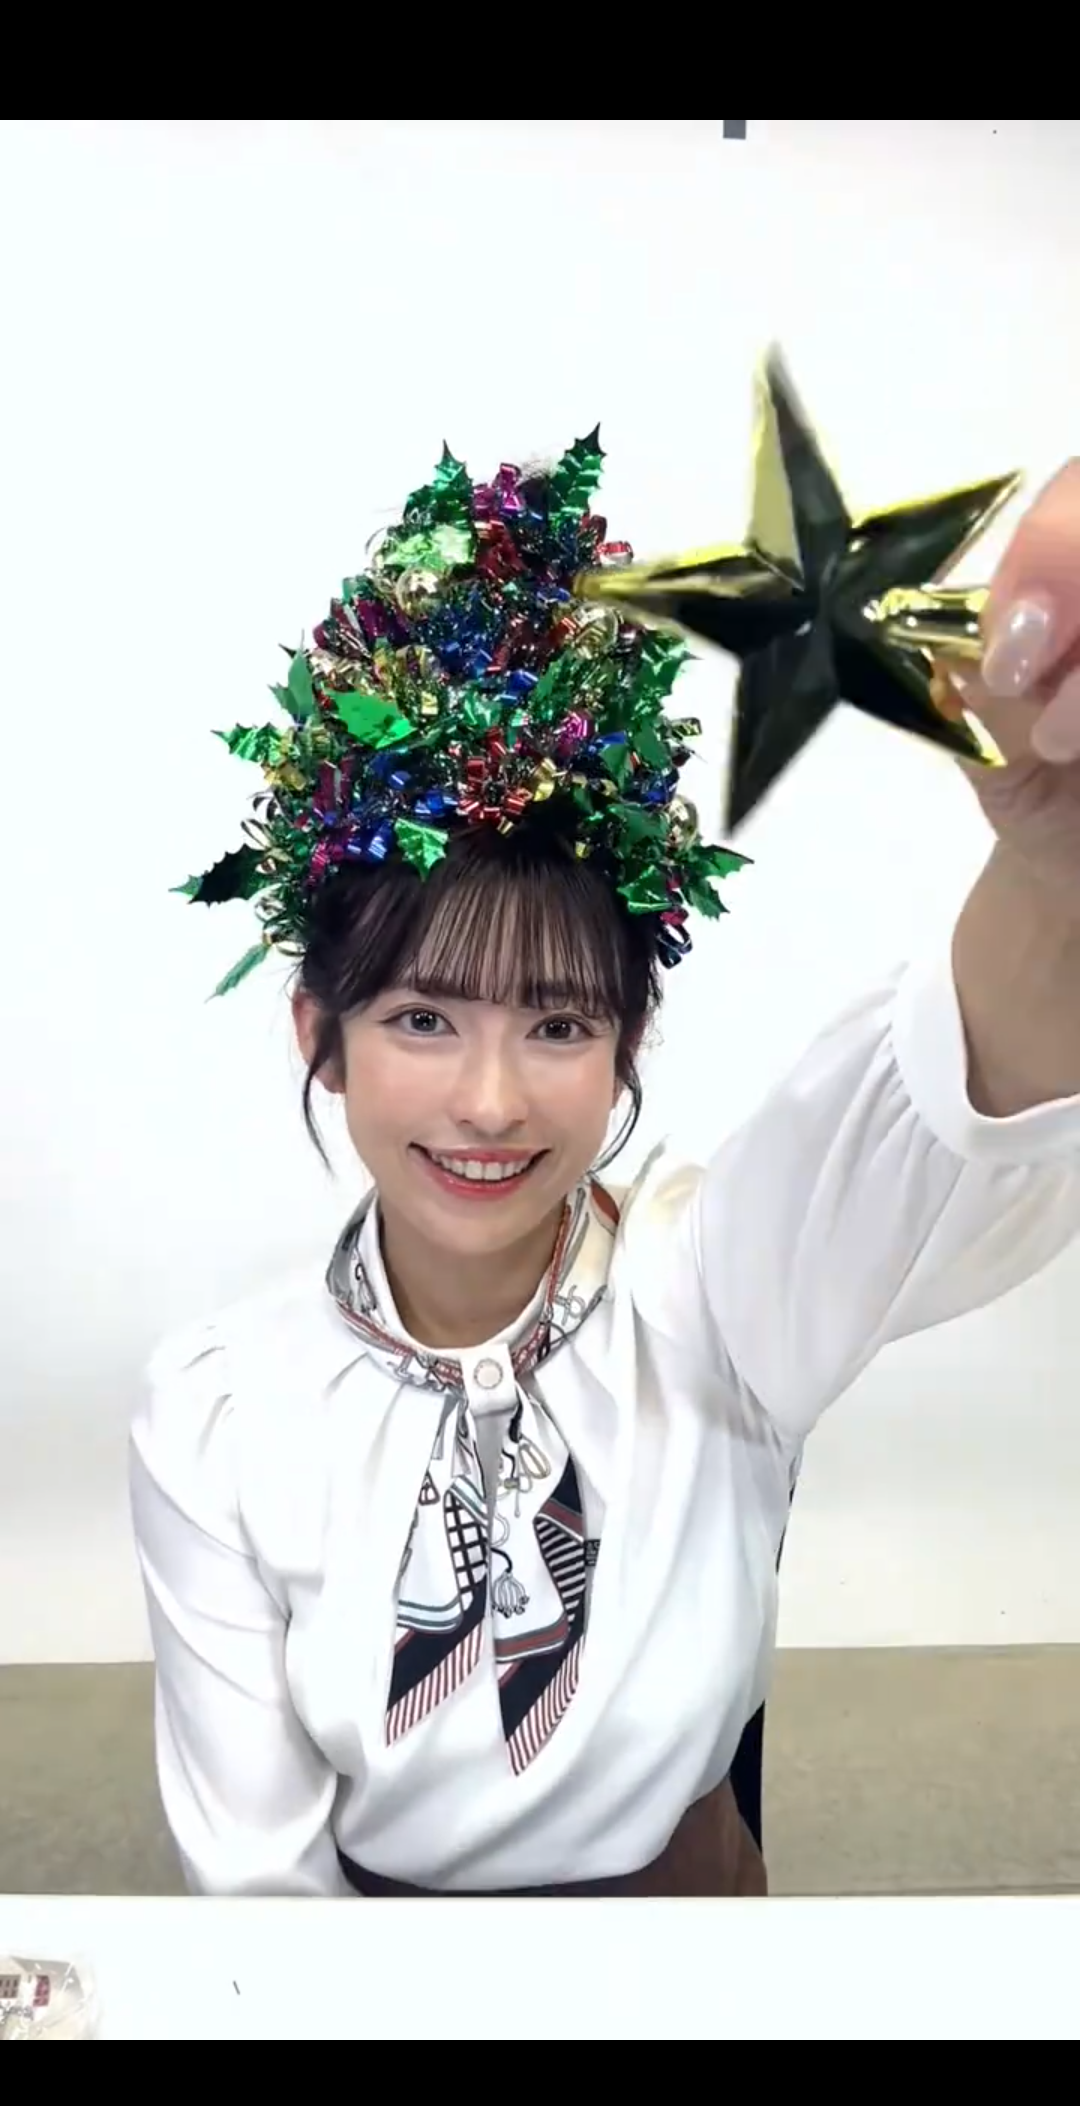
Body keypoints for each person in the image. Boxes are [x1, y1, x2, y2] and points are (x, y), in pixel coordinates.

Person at [131, 436, 1080, 1898]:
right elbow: (260, 1891)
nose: (491, 1101)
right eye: (423, 1019)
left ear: (629, 1043)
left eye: (560, 1023)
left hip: (692, 1959)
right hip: (358, 1982)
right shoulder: (218, 1413)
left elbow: (948, 1094)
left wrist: (1052, 868)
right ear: (322, 1037)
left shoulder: (712, 1294)